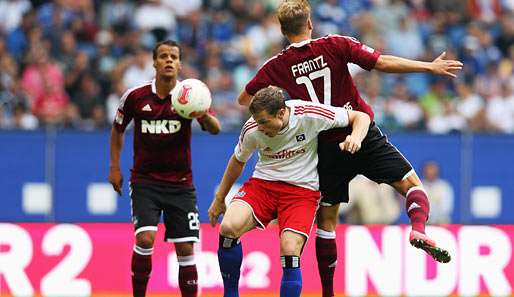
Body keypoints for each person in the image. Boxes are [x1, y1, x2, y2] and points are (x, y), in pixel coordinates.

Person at [237, 1, 458, 296]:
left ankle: (328, 292)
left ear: (282, 30)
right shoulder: (335, 44)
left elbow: (245, 100)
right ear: (310, 24)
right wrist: (428, 66)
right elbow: (381, 63)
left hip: (325, 147)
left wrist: (280, 94)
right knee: (411, 185)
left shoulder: (275, 66)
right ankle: (418, 227)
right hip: (360, 129)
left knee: (328, 221)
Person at [208, 86, 370, 297]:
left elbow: (361, 117)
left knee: (290, 247)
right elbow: (238, 161)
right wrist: (220, 199)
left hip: (301, 191)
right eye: (257, 121)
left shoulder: (309, 114)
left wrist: (356, 137)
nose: (260, 128)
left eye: (264, 122)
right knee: (228, 227)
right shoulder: (252, 128)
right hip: (263, 185)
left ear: (282, 113)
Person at [108, 40, 221, 297]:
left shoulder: (190, 95)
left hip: (180, 184)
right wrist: (115, 166)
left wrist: (201, 114)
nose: (169, 60)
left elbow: (215, 129)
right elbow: (117, 129)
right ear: (154, 62)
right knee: (145, 238)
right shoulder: (135, 97)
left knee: (185, 249)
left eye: (174, 57)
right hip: (145, 182)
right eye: (163, 56)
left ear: (180, 64)